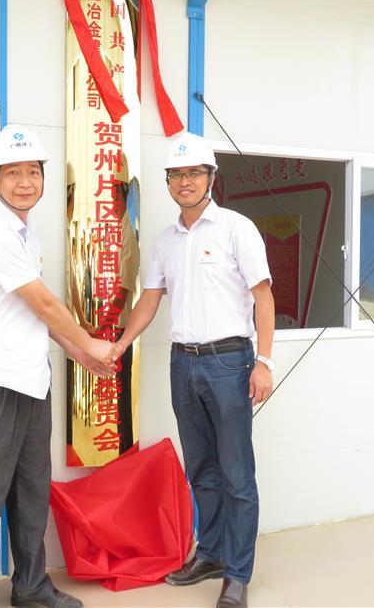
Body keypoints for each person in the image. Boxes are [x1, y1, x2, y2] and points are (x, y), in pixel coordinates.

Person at [0, 125, 115, 608]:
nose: (24, 182)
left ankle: (31, 587)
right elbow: (43, 303)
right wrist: (90, 343)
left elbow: (31, 312)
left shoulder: (24, 231)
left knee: (31, 493)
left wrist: (79, 354)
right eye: (13, 173)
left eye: (33, 172)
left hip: (32, 382)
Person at [112, 132, 276, 608]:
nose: (185, 182)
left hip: (230, 362)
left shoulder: (236, 229)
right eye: (177, 174)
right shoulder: (166, 241)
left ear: (210, 177)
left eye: (194, 173)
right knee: (201, 467)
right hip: (183, 363)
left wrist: (264, 362)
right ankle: (212, 553)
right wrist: (121, 344)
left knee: (237, 473)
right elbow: (150, 299)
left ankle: (238, 574)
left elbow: (263, 297)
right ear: (169, 181)